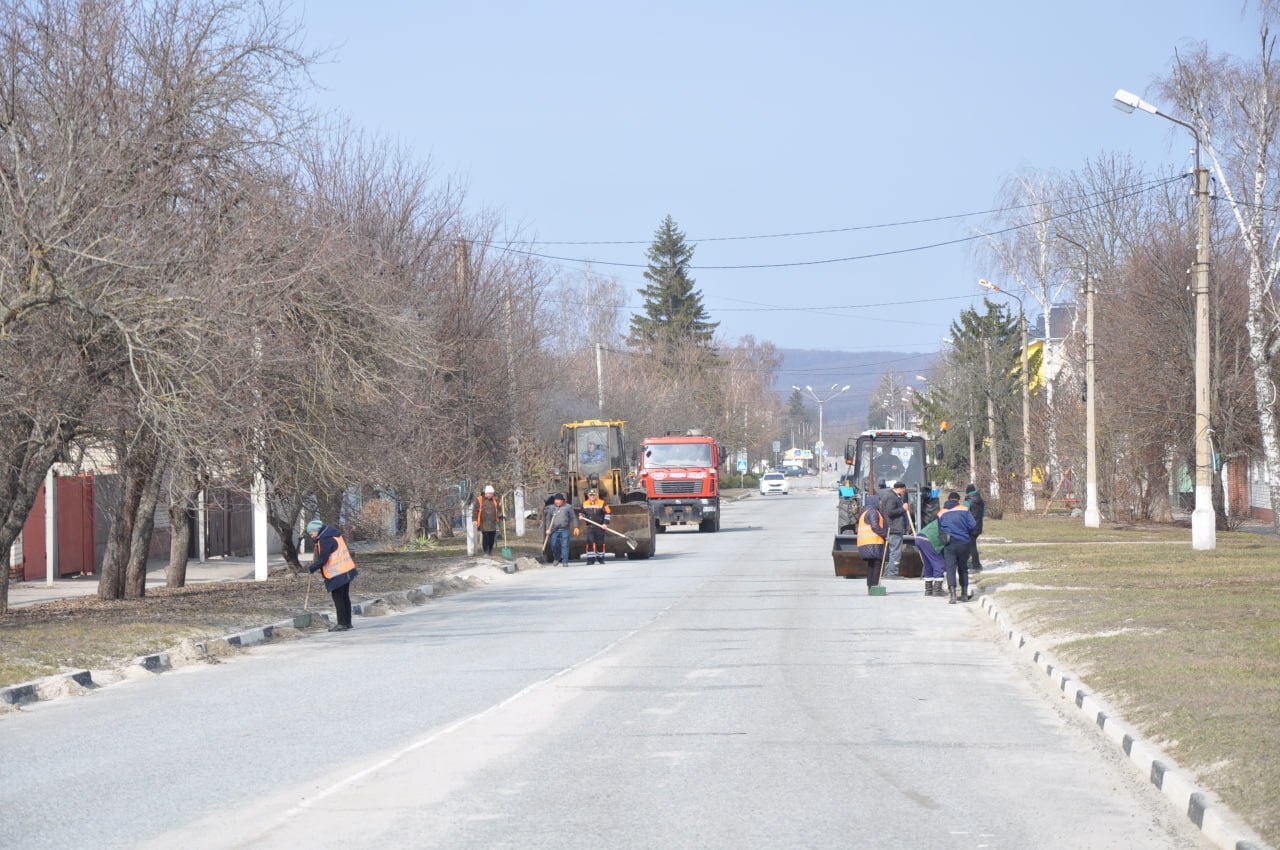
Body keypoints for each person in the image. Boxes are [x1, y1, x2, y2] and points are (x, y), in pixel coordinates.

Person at [306, 519, 358, 632]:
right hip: (346, 569)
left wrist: (312, 568)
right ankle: (347, 622)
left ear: (317, 530)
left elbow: (323, 558)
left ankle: (341, 623)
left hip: (337, 573)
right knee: (345, 597)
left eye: (312, 533)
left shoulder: (325, 539)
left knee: (338, 598)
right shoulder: (333, 534)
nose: (312, 536)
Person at [937, 491, 978, 604]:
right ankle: (964, 594)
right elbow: (973, 525)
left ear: (948, 499)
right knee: (963, 568)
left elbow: (939, 528)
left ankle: (953, 595)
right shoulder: (964, 509)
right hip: (963, 542)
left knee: (950, 569)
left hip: (949, 543)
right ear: (958, 500)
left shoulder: (941, 512)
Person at [855, 492, 888, 591]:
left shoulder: (864, 512)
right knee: (877, 564)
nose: (881, 503)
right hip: (874, 542)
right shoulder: (873, 511)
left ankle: (870, 586)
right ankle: (874, 586)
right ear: (874, 501)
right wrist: (885, 534)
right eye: (879, 501)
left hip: (865, 543)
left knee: (871, 565)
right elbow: (874, 526)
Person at [878, 480, 910, 577]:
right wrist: (903, 509)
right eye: (904, 491)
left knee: (891, 553)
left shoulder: (891, 496)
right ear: (900, 489)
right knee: (895, 553)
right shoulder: (891, 497)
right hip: (894, 529)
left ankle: (888, 574)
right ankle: (892, 574)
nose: (904, 493)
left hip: (892, 528)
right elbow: (890, 512)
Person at [544, 493, 579, 566]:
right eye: (556, 500)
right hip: (554, 530)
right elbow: (548, 519)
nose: (557, 502)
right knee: (553, 544)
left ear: (562, 501)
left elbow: (573, 517)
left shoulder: (568, 507)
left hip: (564, 529)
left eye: (559, 500)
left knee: (565, 545)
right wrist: (548, 528)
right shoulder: (551, 508)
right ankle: (557, 558)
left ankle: (565, 561)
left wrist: (576, 526)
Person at [915, 515, 947, 596]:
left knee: (928, 564)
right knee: (939, 563)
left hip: (919, 537)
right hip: (928, 539)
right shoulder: (949, 522)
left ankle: (928, 589)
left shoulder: (942, 519)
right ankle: (937, 589)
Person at [578, 488, 612, 564]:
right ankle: (590, 559)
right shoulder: (584, 504)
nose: (592, 496)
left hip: (600, 526)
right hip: (590, 527)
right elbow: (581, 512)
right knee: (590, 542)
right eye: (591, 495)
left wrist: (605, 524)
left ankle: (601, 558)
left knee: (600, 543)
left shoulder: (602, 503)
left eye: (594, 495)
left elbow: (608, 513)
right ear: (588, 496)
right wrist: (581, 516)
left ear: (596, 495)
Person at [473, 485, 503, 557]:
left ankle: (490, 550)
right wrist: (474, 520)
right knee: (485, 537)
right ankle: (486, 551)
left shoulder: (494, 500)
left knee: (492, 537)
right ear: (486, 493)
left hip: (493, 522)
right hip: (483, 522)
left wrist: (500, 515)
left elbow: (498, 509)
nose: (491, 495)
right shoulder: (479, 499)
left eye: (492, 493)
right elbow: (475, 511)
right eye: (490, 493)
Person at [964, 483, 986, 573]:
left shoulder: (967, 502)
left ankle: (976, 565)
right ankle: (975, 564)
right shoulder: (981, 500)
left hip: (970, 527)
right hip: (978, 526)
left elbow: (963, 514)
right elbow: (983, 514)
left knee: (971, 546)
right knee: (972, 545)